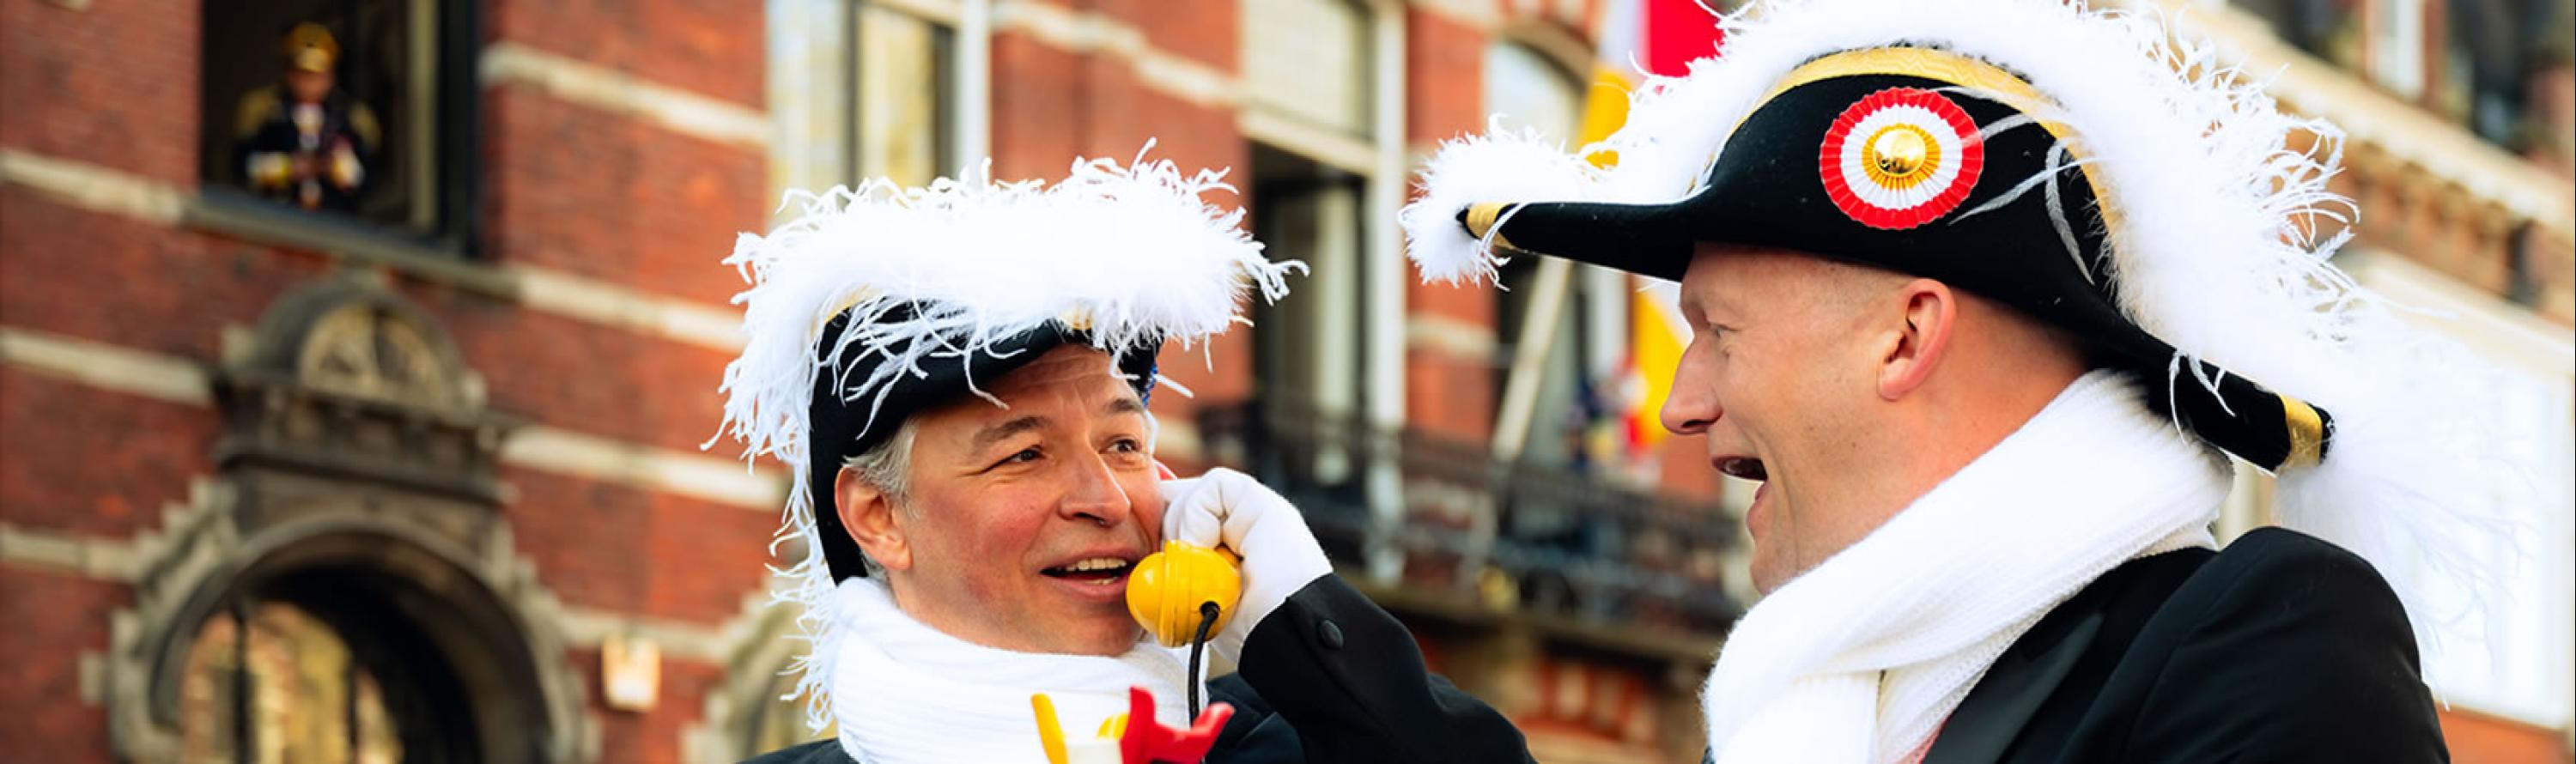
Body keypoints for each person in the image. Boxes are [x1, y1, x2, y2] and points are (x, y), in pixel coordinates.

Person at [1401, 0, 2512, 761]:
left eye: (1719, 333)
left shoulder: (2262, 640)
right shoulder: (1817, 705)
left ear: (1905, 335)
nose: (1684, 403)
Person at [714, 152, 1534, 763]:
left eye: (1123, 445)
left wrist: (1312, 629)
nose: (1105, 499)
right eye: (1025, 453)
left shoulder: (1298, 745)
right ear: (878, 515)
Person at [234, 22, 379, 212]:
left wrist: (332, 166)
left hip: (333, 217)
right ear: (289, 75)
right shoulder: (268, 112)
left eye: (317, 76)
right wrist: (288, 168)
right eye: (302, 75)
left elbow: (366, 177)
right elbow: (245, 166)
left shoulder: (348, 117)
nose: (309, 84)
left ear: (331, 78)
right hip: (278, 214)